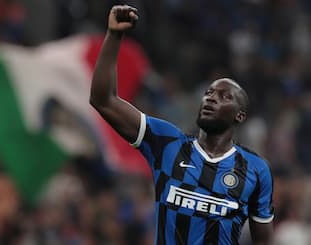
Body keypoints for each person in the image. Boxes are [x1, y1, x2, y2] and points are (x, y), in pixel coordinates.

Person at [90, 5, 274, 245]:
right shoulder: (167, 143)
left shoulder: (256, 170)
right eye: (208, 93)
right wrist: (114, 35)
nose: (210, 98)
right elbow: (103, 100)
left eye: (224, 96)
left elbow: (264, 241)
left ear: (240, 116)